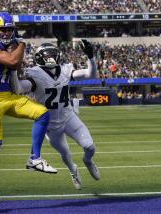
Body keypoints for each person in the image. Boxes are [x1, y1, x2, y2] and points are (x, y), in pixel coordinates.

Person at [0, 12, 56, 206]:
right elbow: (12, 61)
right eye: (3, 29)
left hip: (9, 95)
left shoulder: (8, 46)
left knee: (42, 113)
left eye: (9, 30)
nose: (6, 33)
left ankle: (34, 158)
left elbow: (16, 68)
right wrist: (22, 43)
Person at [11, 40, 100, 190]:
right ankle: (73, 170)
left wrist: (90, 56)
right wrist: (13, 70)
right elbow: (18, 88)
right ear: (39, 57)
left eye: (53, 54)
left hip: (69, 117)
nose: (51, 58)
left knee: (90, 147)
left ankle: (88, 161)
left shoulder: (65, 70)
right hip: (50, 125)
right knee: (65, 154)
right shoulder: (35, 74)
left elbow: (90, 74)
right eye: (47, 55)